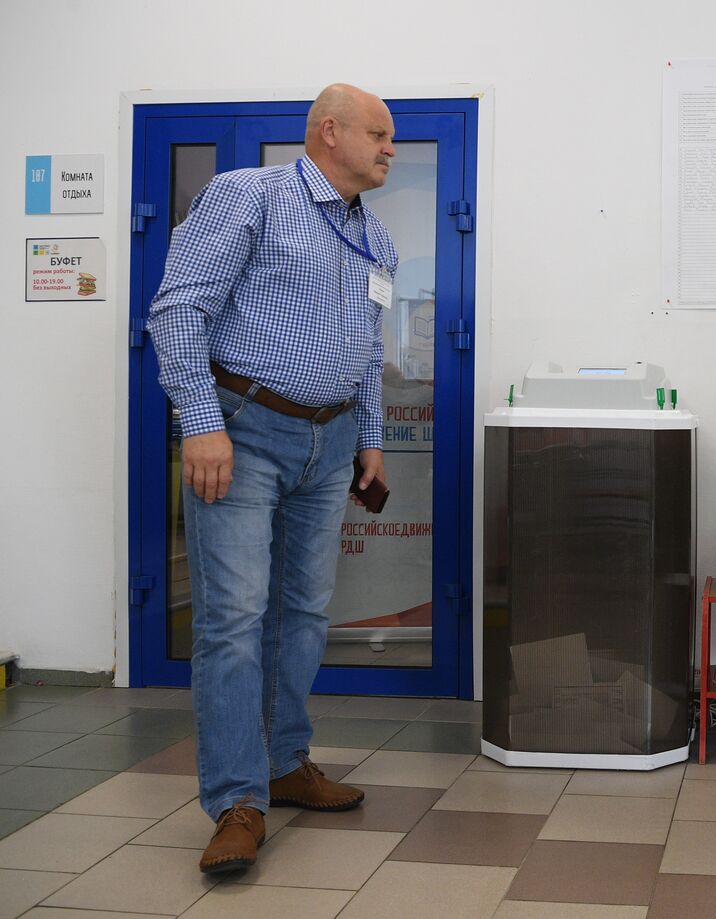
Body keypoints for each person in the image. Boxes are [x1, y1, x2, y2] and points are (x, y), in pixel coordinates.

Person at [147, 83, 398, 874]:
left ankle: (285, 761)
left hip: (329, 447)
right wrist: (201, 422)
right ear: (331, 132)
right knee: (234, 616)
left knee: (303, 613)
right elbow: (178, 312)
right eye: (380, 133)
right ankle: (236, 799)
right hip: (242, 433)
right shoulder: (247, 197)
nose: (391, 147)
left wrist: (372, 441)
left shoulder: (376, 239)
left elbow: (366, 347)